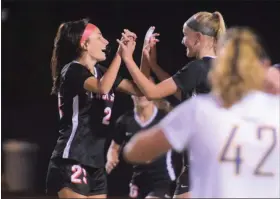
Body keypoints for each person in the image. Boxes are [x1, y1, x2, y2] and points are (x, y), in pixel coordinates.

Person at [122, 27, 280, 198]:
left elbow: (134, 151)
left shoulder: (201, 109)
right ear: (263, 67)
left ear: (220, 68)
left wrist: (127, 59)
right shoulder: (274, 110)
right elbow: (180, 88)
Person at [119, 11, 226, 198]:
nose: (183, 40)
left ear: (198, 38)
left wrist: (127, 58)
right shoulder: (218, 68)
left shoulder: (197, 67)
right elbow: (180, 91)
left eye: (185, 35)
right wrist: (153, 65)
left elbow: (151, 93)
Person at [46, 18, 143, 198]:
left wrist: (140, 56)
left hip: (95, 162)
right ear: (84, 44)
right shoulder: (72, 70)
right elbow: (103, 87)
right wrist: (120, 56)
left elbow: (141, 90)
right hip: (72, 158)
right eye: (99, 37)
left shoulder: (103, 72)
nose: (106, 42)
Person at [106, 95, 176, 199]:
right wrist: (111, 158)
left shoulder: (165, 118)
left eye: (144, 91)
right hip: (137, 180)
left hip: (162, 179)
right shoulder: (125, 120)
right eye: (138, 91)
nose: (141, 95)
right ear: (132, 94)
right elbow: (114, 147)